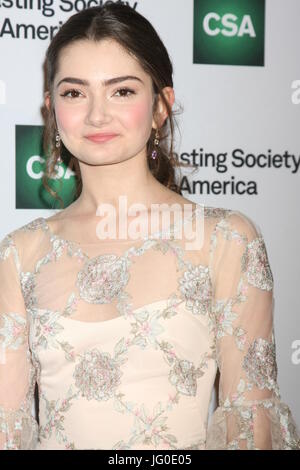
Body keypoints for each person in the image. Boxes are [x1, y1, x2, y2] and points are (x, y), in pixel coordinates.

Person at [0, 4, 299, 450]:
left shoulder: (226, 240)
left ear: (161, 106)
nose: (97, 115)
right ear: (52, 109)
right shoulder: (19, 255)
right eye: (75, 93)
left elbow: (251, 424)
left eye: (121, 91)